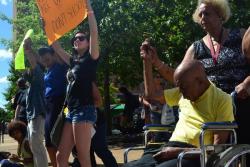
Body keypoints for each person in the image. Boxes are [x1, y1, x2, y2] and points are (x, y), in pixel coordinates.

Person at [140, 0, 250, 164]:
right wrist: (155, 62)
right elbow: (180, 78)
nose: (202, 17)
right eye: (200, 14)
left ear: (220, 15)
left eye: (207, 13)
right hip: (210, 104)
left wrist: (247, 82)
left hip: (241, 99)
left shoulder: (241, 36)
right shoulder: (195, 47)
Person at [124, 60, 234, 167]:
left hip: (192, 155)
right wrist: (147, 61)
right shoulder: (183, 91)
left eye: (183, 88)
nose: (181, 92)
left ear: (200, 81)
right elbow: (151, 96)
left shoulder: (222, 100)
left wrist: (178, 151)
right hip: (169, 147)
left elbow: (217, 149)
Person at [51, 0, 99, 166]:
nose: (76, 40)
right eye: (74, 39)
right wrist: (47, 28)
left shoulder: (91, 59)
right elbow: (56, 48)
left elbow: (94, 31)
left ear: (87, 42)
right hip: (70, 111)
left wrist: (89, 9)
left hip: (84, 110)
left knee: (83, 156)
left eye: (81, 38)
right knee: (60, 156)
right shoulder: (73, 62)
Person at [38, 47, 68, 167]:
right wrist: (29, 50)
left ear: (54, 55)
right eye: (43, 58)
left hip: (59, 102)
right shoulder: (47, 70)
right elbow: (38, 60)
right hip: (48, 105)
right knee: (49, 141)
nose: (45, 59)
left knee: (54, 140)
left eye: (47, 57)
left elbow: (59, 53)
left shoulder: (60, 65)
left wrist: (50, 36)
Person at [23, 38, 48, 167]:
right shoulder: (30, 85)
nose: (28, 69)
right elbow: (30, 66)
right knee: (35, 147)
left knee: (37, 146)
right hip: (32, 117)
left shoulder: (38, 77)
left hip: (38, 115)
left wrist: (28, 50)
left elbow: (35, 63)